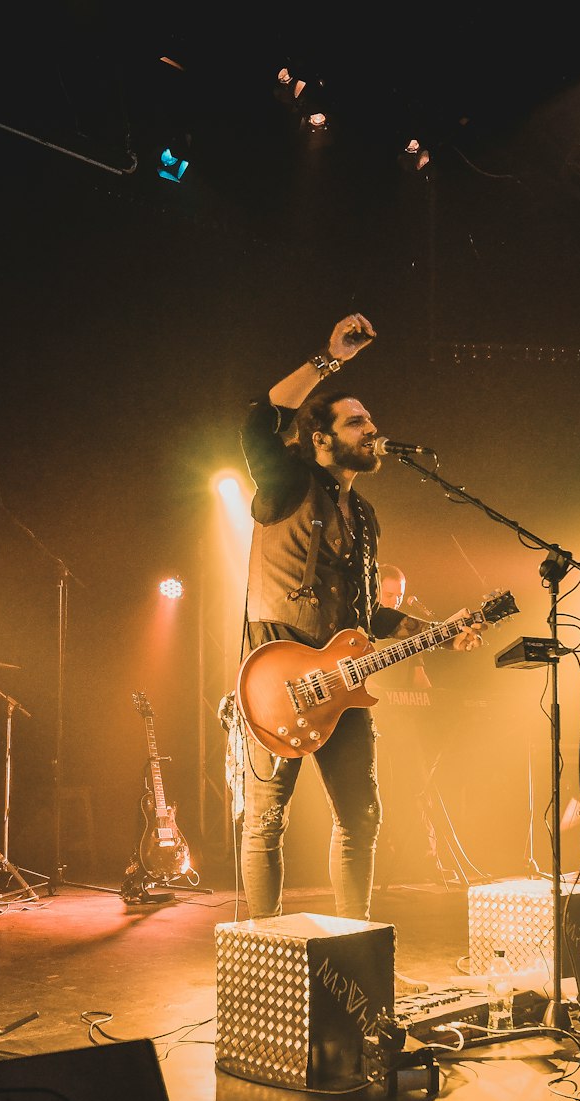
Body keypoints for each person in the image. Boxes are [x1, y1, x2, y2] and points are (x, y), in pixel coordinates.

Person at [235, 313, 484, 923]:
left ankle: (352, 945)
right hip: (276, 678)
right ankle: (266, 953)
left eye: (372, 421)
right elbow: (255, 421)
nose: (373, 430)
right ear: (320, 438)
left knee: (362, 820)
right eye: (357, 421)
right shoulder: (289, 479)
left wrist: (437, 635)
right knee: (268, 821)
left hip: (342, 685)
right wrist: (330, 358)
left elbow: (369, 613)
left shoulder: (365, 515)